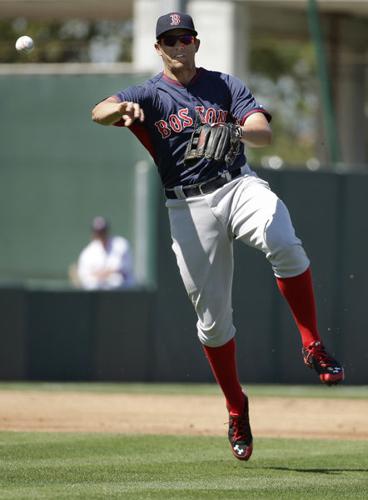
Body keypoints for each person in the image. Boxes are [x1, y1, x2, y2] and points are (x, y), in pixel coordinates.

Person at [91, 12, 344, 461]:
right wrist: (121, 110)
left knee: (282, 238)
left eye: (183, 37)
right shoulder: (148, 93)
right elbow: (99, 111)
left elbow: (263, 132)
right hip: (186, 206)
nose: (177, 45)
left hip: (235, 184)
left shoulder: (224, 85)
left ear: (195, 42)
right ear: (158, 48)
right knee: (212, 323)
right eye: (168, 39)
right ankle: (235, 406)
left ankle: (312, 344)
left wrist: (235, 128)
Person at [77, 216, 135, 290]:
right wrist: (104, 274)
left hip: (123, 292)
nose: (101, 235)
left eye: (103, 231)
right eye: (98, 232)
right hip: (97, 295)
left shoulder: (120, 244)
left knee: (116, 280)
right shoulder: (88, 252)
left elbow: (123, 268)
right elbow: (84, 274)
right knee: (93, 284)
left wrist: (101, 273)